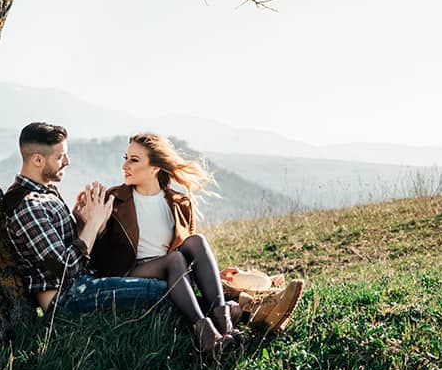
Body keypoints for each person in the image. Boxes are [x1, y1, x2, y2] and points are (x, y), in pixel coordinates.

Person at [89, 133, 303, 355]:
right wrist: (99, 227)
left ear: (155, 167)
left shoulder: (178, 202)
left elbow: (186, 253)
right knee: (174, 260)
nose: (125, 165)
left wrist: (213, 275)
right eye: (126, 157)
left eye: (134, 160)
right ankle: (205, 331)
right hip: (130, 273)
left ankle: (224, 324)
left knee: (196, 241)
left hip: (173, 270)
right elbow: (97, 256)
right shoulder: (113, 199)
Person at [3, 122, 167, 316]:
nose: (67, 161)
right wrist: (93, 223)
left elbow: (67, 252)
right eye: (60, 156)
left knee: (176, 275)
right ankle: (204, 325)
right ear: (38, 160)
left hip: (82, 283)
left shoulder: (45, 193)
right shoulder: (28, 206)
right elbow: (66, 270)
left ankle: (210, 313)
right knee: (163, 291)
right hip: (65, 298)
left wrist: (81, 222)